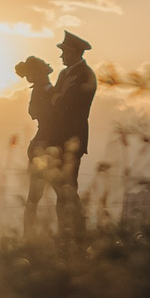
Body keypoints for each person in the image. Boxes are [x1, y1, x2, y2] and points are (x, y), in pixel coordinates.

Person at [30, 31, 96, 240]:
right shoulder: (66, 74)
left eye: (64, 52)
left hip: (71, 139)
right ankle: (67, 233)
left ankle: (75, 233)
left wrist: (51, 92)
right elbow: (55, 100)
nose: (61, 57)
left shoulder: (84, 75)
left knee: (67, 188)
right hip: (60, 139)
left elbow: (64, 104)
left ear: (75, 52)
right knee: (62, 189)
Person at [13, 55, 56, 240]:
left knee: (38, 195)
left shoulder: (50, 89)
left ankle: (30, 234)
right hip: (43, 145)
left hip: (47, 143)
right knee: (35, 195)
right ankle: (29, 235)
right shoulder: (41, 91)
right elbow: (34, 112)